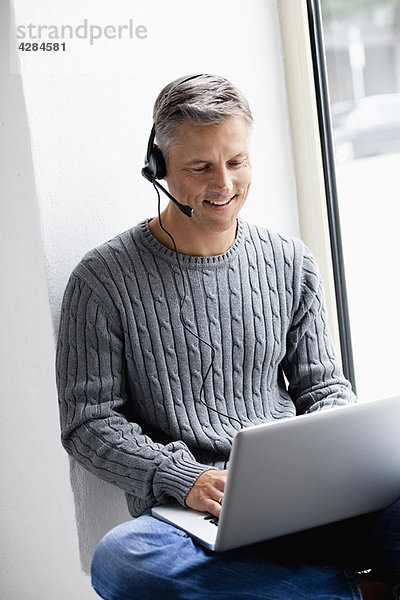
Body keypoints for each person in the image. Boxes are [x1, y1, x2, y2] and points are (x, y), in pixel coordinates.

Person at [56, 74, 400, 600]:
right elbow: (88, 422)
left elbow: (324, 387)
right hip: (191, 514)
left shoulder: (289, 261)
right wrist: (183, 478)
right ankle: (357, 593)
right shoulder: (102, 280)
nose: (224, 185)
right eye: (201, 167)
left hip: (305, 492)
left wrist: (337, 461)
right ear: (160, 167)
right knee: (123, 561)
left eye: (237, 162)